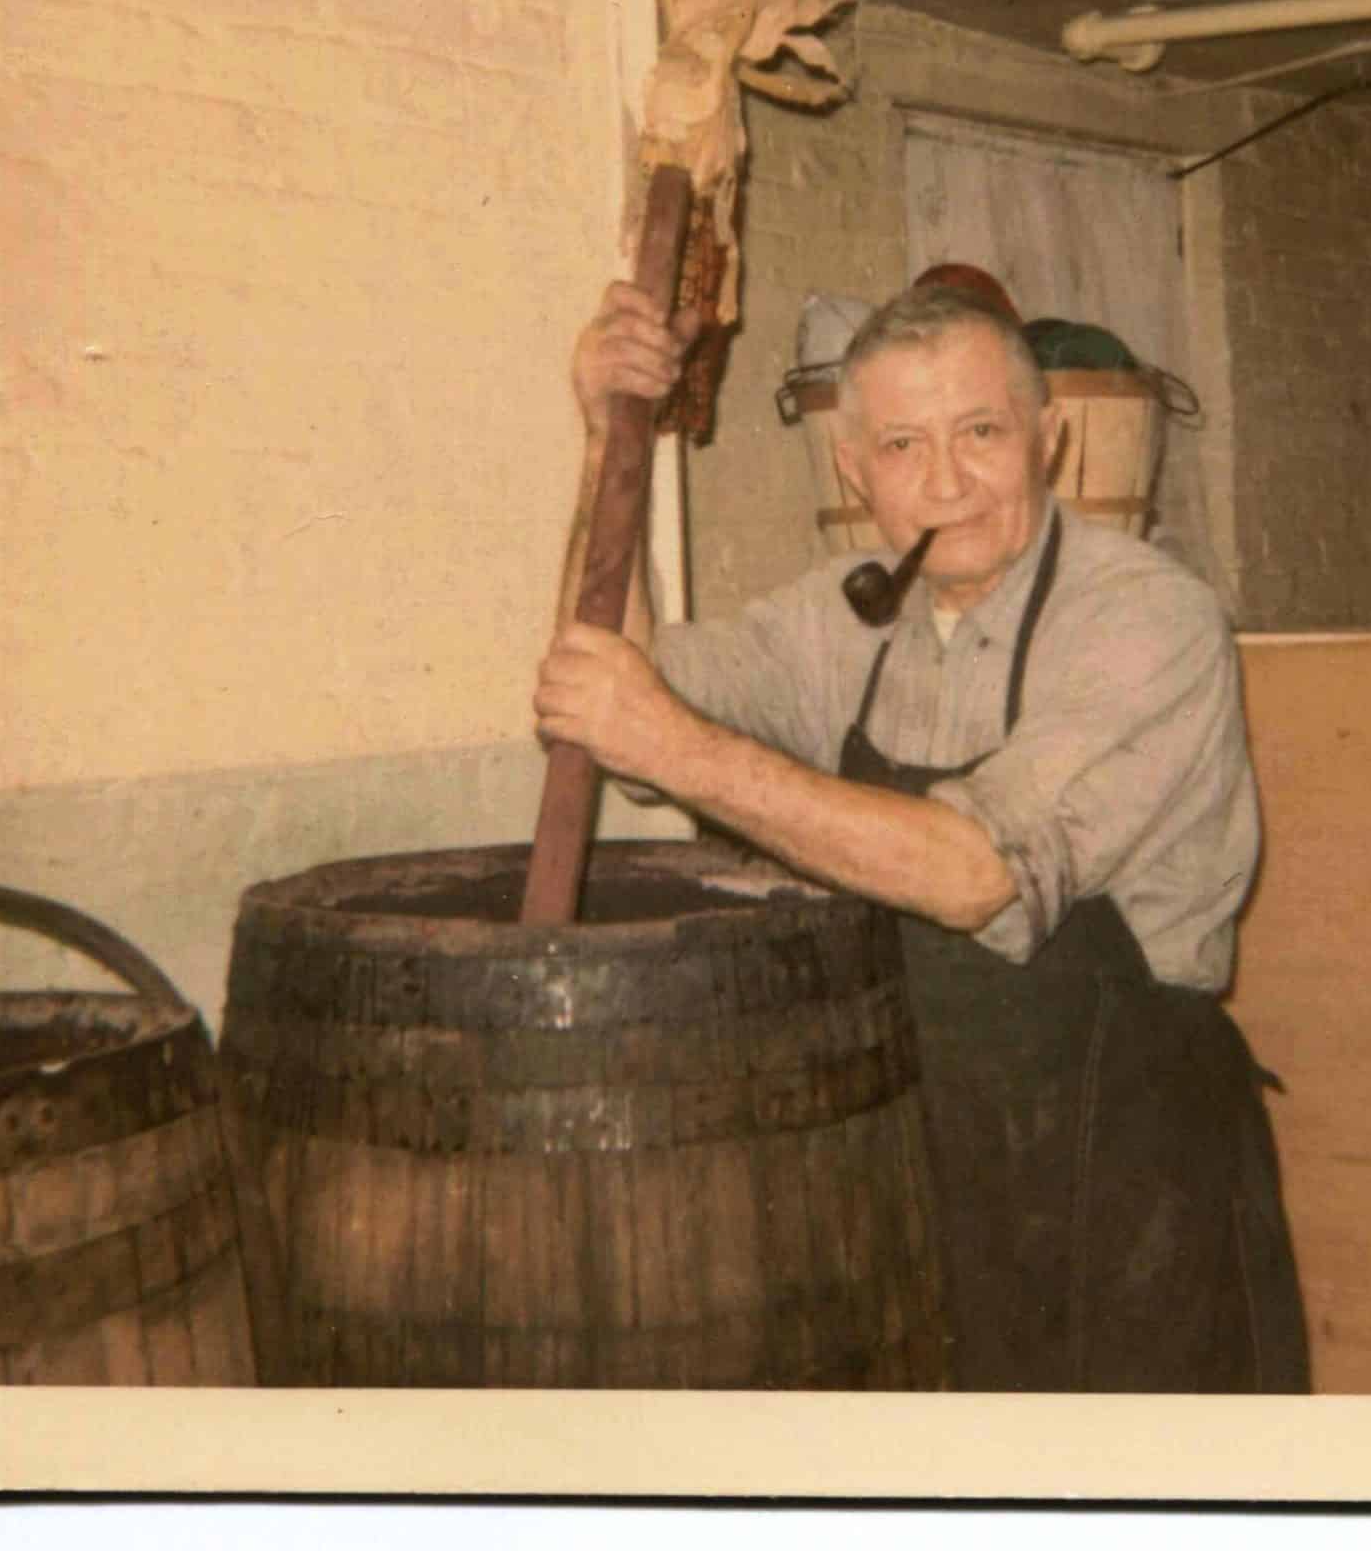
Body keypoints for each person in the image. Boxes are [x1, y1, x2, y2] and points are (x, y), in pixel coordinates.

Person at [535, 277, 1310, 1393]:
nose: (945, 481)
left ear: (1047, 437)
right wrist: (609, 435)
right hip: (916, 1170)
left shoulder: (1144, 616)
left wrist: (674, 746)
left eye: (980, 432)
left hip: (1128, 1184)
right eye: (901, 444)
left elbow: (972, 877)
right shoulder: (845, 618)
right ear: (855, 470)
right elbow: (618, 674)